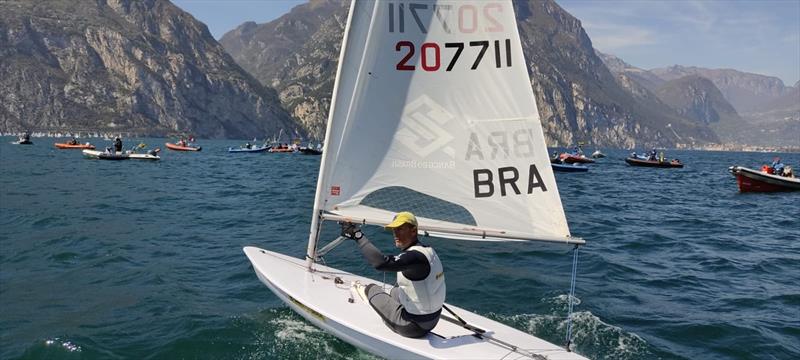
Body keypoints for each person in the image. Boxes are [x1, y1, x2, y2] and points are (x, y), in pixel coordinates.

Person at [341, 212, 445, 338]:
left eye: (400, 229)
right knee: (395, 292)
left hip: (412, 326)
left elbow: (381, 263)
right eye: (394, 230)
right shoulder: (428, 251)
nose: (395, 234)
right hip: (434, 318)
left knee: (371, 288)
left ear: (413, 231)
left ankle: (389, 315)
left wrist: (357, 235)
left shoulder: (414, 257)